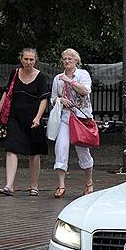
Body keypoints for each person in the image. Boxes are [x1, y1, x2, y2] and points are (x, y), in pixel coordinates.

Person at [0, 48, 49, 196]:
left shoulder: (40, 77)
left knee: (34, 152)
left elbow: (44, 99)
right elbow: (7, 93)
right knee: (11, 149)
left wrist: (38, 117)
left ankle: (34, 186)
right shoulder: (14, 73)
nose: (28, 62)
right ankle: (9, 185)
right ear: (21, 59)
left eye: (31, 59)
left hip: (33, 119)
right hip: (15, 117)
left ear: (35, 60)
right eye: (26, 59)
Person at [51, 48, 94, 198]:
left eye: (70, 58)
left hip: (81, 118)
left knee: (83, 151)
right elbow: (53, 99)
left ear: (76, 60)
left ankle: (89, 182)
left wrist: (69, 81)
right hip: (65, 117)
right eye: (65, 59)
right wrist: (60, 100)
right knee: (60, 148)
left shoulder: (83, 74)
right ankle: (61, 185)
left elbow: (85, 91)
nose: (67, 61)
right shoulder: (57, 78)